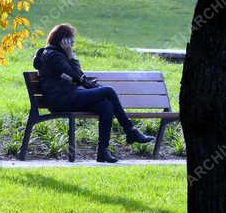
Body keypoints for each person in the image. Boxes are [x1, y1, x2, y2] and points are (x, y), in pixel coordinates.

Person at [34, 23, 154, 163]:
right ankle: (130, 130)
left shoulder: (57, 54)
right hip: (61, 100)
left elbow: (76, 77)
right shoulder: (53, 56)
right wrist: (71, 55)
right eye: (71, 39)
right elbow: (77, 75)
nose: (73, 42)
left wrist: (70, 59)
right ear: (63, 40)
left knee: (106, 105)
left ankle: (103, 151)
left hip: (68, 96)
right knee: (108, 91)